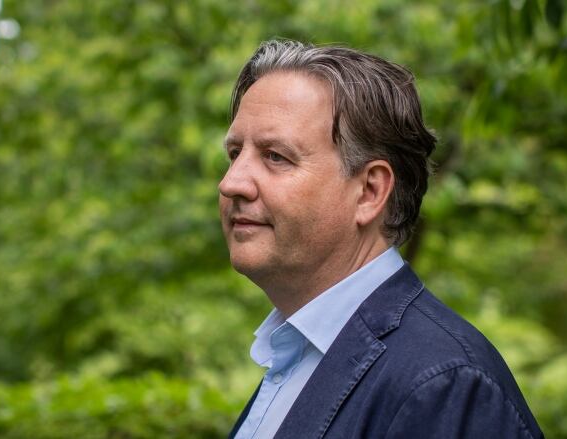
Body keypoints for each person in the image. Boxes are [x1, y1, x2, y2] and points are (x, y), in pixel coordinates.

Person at [219, 40, 544, 439]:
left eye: (275, 156)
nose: (231, 182)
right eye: (235, 153)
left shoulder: (446, 386)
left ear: (370, 192)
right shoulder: (299, 356)